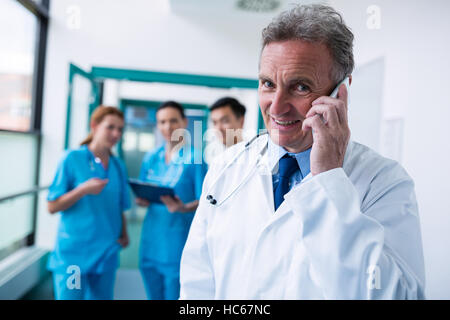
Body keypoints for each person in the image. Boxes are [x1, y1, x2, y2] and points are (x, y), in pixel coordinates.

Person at [180, 4, 425, 299]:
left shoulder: (384, 182)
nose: (277, 105)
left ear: (340, 93)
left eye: (300, 87)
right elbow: (197, 285)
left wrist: (329, 179)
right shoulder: (227, 168)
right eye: (268, 84)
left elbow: (398, 295)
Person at [47, 106, 130, 300]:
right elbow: (52, 206)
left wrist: (124, 232)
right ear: (94, 126)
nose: (116, 133)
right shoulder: (71, 159)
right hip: (74, 257)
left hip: (106, 253)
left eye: (120, 129)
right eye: (110, 127)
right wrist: (83, 189)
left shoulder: (118, 166)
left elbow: (119, 206)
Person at [136, 101, 207, 300]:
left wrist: (184, 208)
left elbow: (207, 201)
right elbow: (145, 190)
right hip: (151, 240)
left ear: (184, 122)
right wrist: (143, 199)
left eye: (173, 121)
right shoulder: (151, 157)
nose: (168, 127)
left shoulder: (195, 158)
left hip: (177, 243)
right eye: (162, 122)